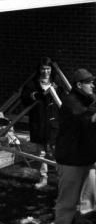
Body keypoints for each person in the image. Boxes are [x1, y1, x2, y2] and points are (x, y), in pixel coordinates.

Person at [50, 68, 96, 224]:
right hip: (70, 159)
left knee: (87, 198)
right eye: (89, 82)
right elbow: (88, 120)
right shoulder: (71, 103)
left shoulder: (88, 99)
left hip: (86, 157)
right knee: (68, 199)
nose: (93, 85)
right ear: (79, 85)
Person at [21, 56, 66, 188]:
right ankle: (43, 178)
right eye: (43, 69)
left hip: (54, 122)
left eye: (48, 69)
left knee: (57, 151)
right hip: (39, 121)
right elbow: (25, 98)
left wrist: (57, 90)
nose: (45, 72)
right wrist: (37, 95)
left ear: (51, 70)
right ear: (39, 69)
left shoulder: (57, 83)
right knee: (41, 152)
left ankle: (62, 179)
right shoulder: (32, 84)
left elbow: (64, 100)